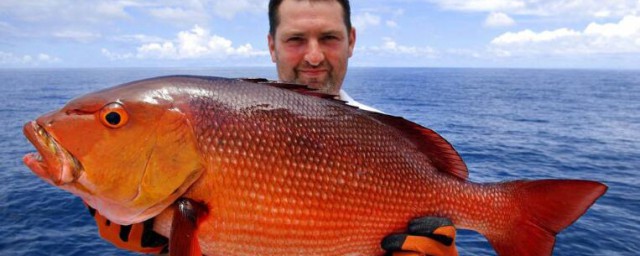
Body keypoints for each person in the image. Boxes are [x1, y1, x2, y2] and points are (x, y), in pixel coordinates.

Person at [89, 0, 459, 255]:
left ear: (351, 42)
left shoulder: (388, 137)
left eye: (328, 38)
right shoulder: (230, 117)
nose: (313, 56)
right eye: (296, 39)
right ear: (272, 46)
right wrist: (166, 244)